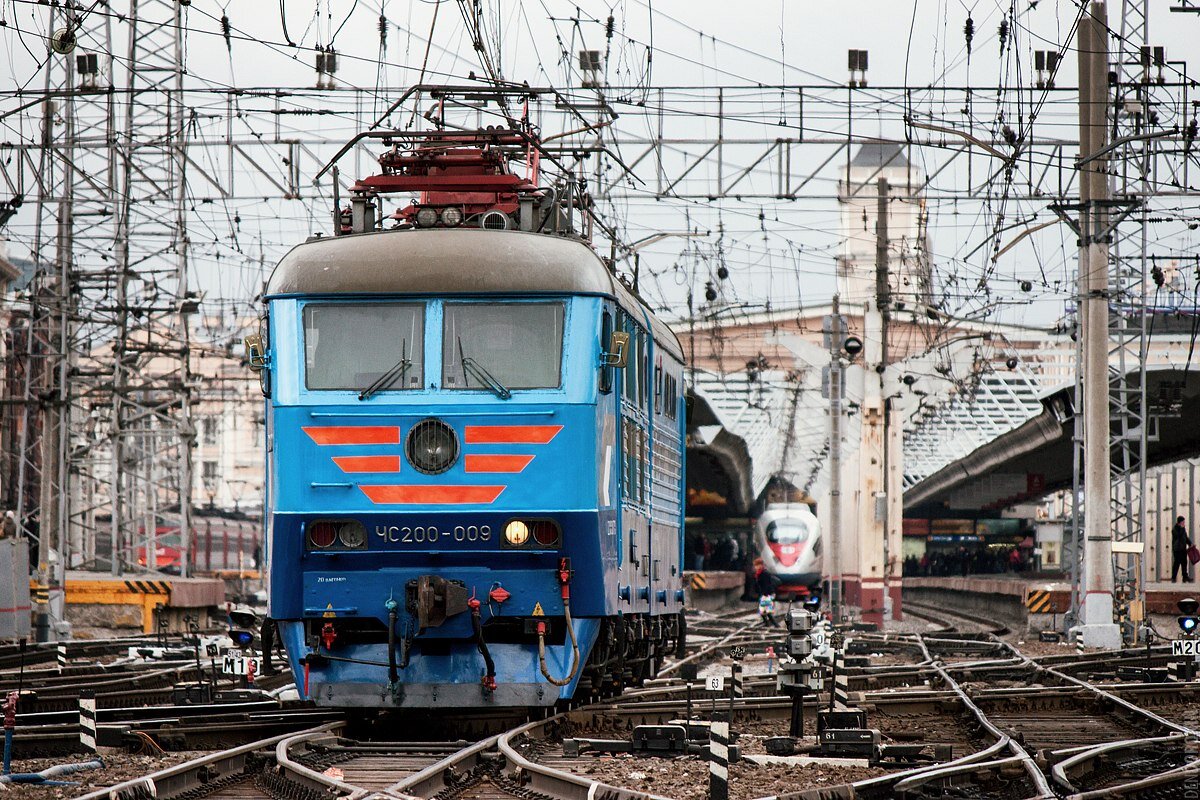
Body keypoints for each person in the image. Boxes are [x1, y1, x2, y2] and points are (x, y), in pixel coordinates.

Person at [753, 557, 781, 627]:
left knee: (765, 611)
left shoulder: (764, 573)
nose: (755, 567)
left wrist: (764, 594)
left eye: (757, 565)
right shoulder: (759, 573)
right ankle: (770, 625)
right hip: (765, 594)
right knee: (764, 611)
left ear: (761, 565)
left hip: (767, 594)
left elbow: (766, 585)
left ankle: (775, 625)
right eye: (755, 565)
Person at [1172, 516, 1193, 583]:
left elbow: (1185, 537)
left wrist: (1190, 543)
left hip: (1183, 549)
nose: (1184, 523)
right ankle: (1173, 577)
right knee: (1177, 563)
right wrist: (1182, 528)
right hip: (1177, 549)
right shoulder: (1175, 529)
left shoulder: (1183, 529)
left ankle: (1185, 577)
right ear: (1179, 522)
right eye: (1183, 522)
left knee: (1184, 563)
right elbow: (1178, 536)